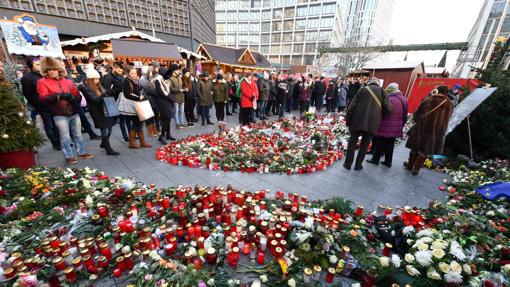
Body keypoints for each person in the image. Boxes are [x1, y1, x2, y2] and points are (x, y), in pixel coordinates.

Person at [37, 56, 94, 164]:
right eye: (49, 70)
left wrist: (74, 98)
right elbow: (43, 98)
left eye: (54, 69)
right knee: (65, 136)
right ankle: (69, 155)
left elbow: (77, 95)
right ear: (45, 71)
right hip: (59, 113)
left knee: (78, 134)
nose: (52, 72)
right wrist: (60, 96)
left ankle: (81, 152)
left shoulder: (67, 81)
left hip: (73, 111)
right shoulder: (42, 82)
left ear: (58, 69)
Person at [344, 77, 392, 171]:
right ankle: (358, 165)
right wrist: (380, 115)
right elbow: (389, 108)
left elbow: (351, 107)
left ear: (369, 83)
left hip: (357, 121)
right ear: (378, 83)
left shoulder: (362, 90)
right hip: (372, 122)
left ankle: (348, 164)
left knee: (352, 143)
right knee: (364, 145)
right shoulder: (383, 92)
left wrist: (348, 121)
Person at [405, 85, 453, 175]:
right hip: (436, 132)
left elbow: (416, 115)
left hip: (422, 128)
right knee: (425, 150)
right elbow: (449, 117)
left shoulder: (428, 100)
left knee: (415, 147)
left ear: (437, 91)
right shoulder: (450, 104)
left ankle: (410, 165)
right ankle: (416, 169)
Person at [21, 56, 61, 150]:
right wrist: (37, 105)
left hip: (52, 103)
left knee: (56, 124)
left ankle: (61, 141)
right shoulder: (27, 78)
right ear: (31, 66)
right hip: (42, 105)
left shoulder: (45, 74)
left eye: (40, 64)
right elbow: (27, 94)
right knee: (49, 125)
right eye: (37, 64)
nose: (40, 66)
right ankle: (55, 143)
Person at [79, 68, 120, 155]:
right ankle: (108, 149)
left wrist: (110, 92)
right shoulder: (86, 88)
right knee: (104, 129)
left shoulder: (99, 86)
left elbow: (105, 94)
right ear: (90, 79)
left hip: (106, 109)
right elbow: (94, 100)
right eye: (95, 79)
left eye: (98, 78)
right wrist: (103, 94)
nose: (97, 80)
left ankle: (104, 143)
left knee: (110, 128)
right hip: (98, 112)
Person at [366, 83, 408, 167]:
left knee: (380, 143)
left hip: (385, 124)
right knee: (390, 144)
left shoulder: (388, 98)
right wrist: (401, 125)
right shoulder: (403, 99)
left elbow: (382, 112)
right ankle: (388, 162)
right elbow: (405, 114)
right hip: (396, 126)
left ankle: (375, 159)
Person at [122, 66, 152, 149]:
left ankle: (142, 142)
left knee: (139, 123)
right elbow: (127, 94)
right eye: (132, 73)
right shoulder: (126, 81)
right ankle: (132, 143)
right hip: (133, 105)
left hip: (137, 104)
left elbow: (136, 91)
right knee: (136, 124)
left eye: (135, 73)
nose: (134, 74)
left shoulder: (133, 80)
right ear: (128, 73)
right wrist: (138, 98)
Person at [101, 61, 131, 142]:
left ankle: (126, 136)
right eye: (119, 70)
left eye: (121, 70)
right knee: (110, 124)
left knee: (123, 120)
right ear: (114, 68)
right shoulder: (108, 77)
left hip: (121, 101)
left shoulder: (120, 76)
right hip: (111, 102)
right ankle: (105, 142)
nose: (120, 72)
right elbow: (107, 92)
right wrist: (119, 90)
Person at [154, 67, 175, 144]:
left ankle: (168, 134)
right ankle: (162, 136)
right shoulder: (157, 81)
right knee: (165, 120)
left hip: (167, 101)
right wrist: (170, 98)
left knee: (168, 119)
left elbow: (168, 90)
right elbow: (160, 93)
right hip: (162, 102)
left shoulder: (164, 80)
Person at [139, 65, 159, 137]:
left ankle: (153, 130)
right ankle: (150, 131)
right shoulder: (143, 79)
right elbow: (151, 90)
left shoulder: (147, 79)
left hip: (151, 100)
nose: (151, 73)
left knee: (152, 116)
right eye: (150, 72)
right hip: (147, 100)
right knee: (149, 117)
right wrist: (158, 92)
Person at [168, 64, 186, 129]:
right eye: (177, 70)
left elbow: (182, 85)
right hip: (175, 97)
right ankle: (177, 124)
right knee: (176, 111)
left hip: (181, 97)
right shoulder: (170, 78)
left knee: (182, 111)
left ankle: (182, 122)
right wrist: (179, 89)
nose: (179, 71)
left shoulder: (179, 77)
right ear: (174, 71)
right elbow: (170, 88)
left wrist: (184, 88)